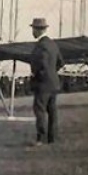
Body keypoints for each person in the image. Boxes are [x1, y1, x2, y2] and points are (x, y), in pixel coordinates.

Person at [29, 18, 64, 146]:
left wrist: (37, 75)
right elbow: (60, 62)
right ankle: (52, 138)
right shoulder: (52, 44)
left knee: (39, 111)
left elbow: (41, 64)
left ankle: (40, 138)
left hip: (42, 84)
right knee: (52, 111)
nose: (32, 31)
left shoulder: (40, 45)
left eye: (33, 29)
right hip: (53, 83)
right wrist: (51, 72)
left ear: (37, 30)